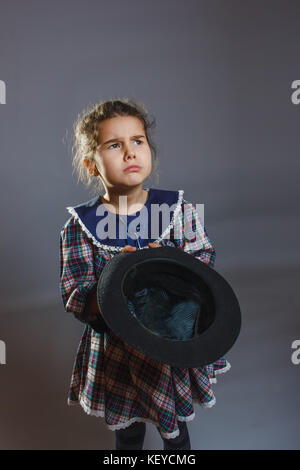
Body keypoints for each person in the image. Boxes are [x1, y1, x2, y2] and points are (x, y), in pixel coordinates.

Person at [59, 98, 231, 450]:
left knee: (177, 433)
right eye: (114, 145)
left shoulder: (177, 210)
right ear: (92, 165)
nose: (130, 153)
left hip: (172, 344)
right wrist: (113, 279)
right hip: (118, 355)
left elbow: (204, 262)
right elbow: (75, 294)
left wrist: (170, 261)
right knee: (128, 434)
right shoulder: (79, 227)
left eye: (137, 141)